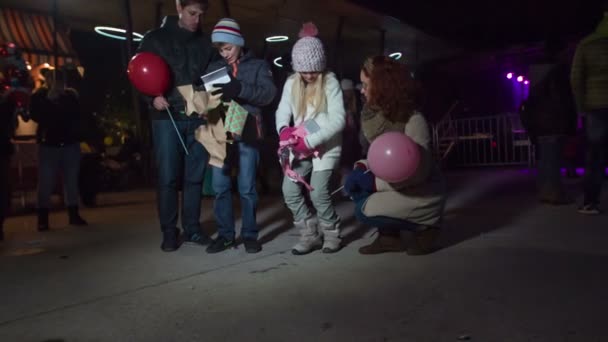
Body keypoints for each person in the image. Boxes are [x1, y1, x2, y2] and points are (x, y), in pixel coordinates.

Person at [344, 56, 446, 255]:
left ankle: (427, 226)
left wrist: (373, 183)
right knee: (359, 188)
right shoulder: (378, 117)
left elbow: (418, 173)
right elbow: (384, 159)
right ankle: (389, 237)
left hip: (423, 192)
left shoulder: (413, 119)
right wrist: (362, 166)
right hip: (401, 186)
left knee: (362, 209)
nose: (361, 90)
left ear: (382, 85)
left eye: (365, 84)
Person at [137, 0, 218, 251]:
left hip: (198, 116)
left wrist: (211, 106)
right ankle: (169, 232)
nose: (197, 20)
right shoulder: (154, 39)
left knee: (194, 178)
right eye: (192, 13)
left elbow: (214, 78)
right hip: (166, 118)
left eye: (201, 15)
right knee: (168, 177)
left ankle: (193, 229)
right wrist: (151, 98)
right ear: (179, 7)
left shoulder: (206, 43)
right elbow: (139, 73)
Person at [203, 18, 277, 254]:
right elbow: (205, 100)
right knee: (219, 186)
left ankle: (249, 234)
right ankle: (225, 235)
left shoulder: (257, 66)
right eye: (220, 49)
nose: (224, 54)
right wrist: (204, 99)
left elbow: (268, 95)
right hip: (220, 131)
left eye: (228, 48)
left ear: (239, 43)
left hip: (247, 132)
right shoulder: (214, 68)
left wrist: (240, 89)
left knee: (246, 187)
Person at [275, 22, 346, 255]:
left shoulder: (330, 82)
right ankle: (309, 234)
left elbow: (338, 120)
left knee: (318, 192)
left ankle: (332, 233)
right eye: (303, 71)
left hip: (325, 145)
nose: (308, 75)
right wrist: (284, 129)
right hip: (299, 144)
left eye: (312, 71)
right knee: (289, 190)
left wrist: (311, 140)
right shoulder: (292, 82)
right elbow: (282, 110)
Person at [29, 71, 88, 231]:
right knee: (46, 182)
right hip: (49, 144)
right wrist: (49, 100)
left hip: (69, 143)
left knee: (71, 181)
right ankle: (43, 217)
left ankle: (73, 213)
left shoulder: (70, 96)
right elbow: (36, 115)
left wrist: (61, 99)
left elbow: (76, 115)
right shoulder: (39, 96)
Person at [519, 45, 577, 205]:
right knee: (552, 159)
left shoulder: (542, 82)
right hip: (553, 122)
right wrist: (570, 122)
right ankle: (553, 193)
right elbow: (563, 101)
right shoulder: (560, 76)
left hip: (541, 124)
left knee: (545, 159)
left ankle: (546, 191)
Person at [571, 5, 608, 215]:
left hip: (595, 107)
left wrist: (581, 107)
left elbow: (576, 79)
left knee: (595, 156)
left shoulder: (586, 44)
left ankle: (590, 202)